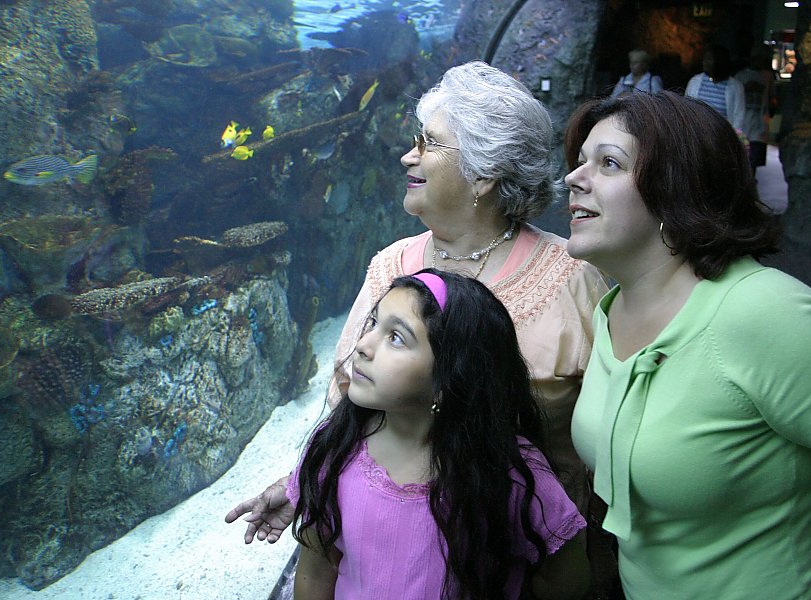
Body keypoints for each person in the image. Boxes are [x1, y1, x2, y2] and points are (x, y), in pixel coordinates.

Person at [226, 61, 616, 596]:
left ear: (484, 173)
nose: (408, 155)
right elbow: (348, 407)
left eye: (428, 143)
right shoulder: (390, 266)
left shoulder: (576, 283)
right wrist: (300, 487)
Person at [562, 90, 811, 599]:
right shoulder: (613, 307)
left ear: (676, 189)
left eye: (608, 163)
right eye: (581, 161)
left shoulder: (764, 313)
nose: (573, 178)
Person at [244, 269, 592, 599]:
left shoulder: (511, 472)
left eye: (396, 337)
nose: (364, 344)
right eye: (372, 323)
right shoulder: (335, 448)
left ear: (449, 378)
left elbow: (567, 580)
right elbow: (314, 574)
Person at [734, 47, 776, 174]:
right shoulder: (741, 75)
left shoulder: (767, 76)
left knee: (753, 160)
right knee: (743, 157)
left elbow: (772, 97)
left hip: (759, 122)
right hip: (745, 123)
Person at [685, 44, 745, 130]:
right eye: (704, 58)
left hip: (722, 137)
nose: (704, 62)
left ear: (719, 61)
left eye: (709, 59)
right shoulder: (695, 82)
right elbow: (686, 109)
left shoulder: (735, 87)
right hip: (697, 135)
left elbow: (739, 117)